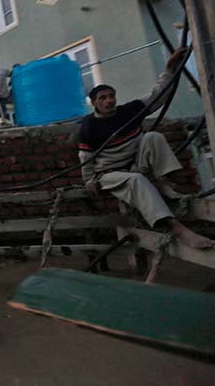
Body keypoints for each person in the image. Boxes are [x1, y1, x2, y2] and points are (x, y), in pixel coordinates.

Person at [78, 47, 214, 249]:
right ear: (94, 102)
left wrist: (169, 69)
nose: (109, 100)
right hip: (109, 174)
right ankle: (178, 229)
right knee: (137, 179)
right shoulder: (89, 126)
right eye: (103, 98)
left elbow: (157, 95)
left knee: (152, 136)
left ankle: (164, 183)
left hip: (135, 165)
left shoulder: (129, 111)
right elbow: (85, 156)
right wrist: (89, 180)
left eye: (111, 95)